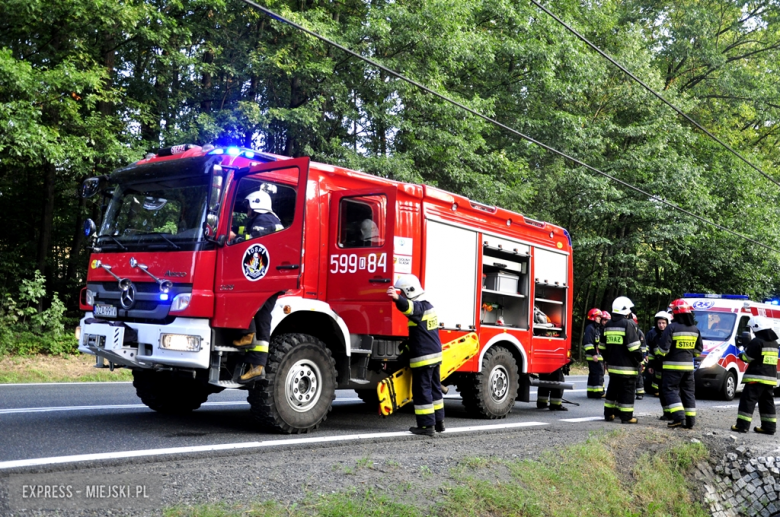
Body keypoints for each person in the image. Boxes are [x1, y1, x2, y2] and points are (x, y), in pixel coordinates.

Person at [232, 189, 285, 384]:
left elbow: (251, 242)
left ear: (256, 203)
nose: (246, 209)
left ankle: (246, 334)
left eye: (248, 205)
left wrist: (234, 239)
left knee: (243, 301)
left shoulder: (264, 221)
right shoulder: (268, 220)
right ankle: (257, 366)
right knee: (263, 317)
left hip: (264, 275)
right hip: (271, 276)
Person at [387, 274, 444, 436]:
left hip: (424, 358)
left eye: (403, 293)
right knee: (435, 390)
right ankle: (439, 422)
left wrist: (397, 298)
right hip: (435, 355)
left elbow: (409, 308)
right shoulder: (429, 305)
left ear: (410, 291)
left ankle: (426, 427)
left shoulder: (419, 307)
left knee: (422, 390)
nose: (402, 295)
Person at [657, 299, 703, 429]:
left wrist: (659, 354)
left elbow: (663, 350)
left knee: (670, 390)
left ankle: (678, 418)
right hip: (688, 368)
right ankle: (690, 421)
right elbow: (698, 351)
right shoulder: (695, 329)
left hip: (671, 368)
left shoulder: (671, 327)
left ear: (676, 313)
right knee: (688, 392)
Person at [731, 316, 778, 435]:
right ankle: (769, 427)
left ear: (756, 328)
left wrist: (742, 353)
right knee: (767, 403)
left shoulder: (757, 341)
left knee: (747, 401)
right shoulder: (774, 343)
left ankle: (742, 426)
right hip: (770, 379)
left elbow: (747, 358)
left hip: (755, 378)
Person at [603, 297, 643, 424]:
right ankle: (626, 417)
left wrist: (608, 360)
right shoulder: (628, 324)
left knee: (612, 390)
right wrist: (640, 360)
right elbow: (634, 347)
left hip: (613, 366)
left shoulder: (608, 324)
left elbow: (602, 347)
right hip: (628, 368)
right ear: (625, 310)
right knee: (627, 391)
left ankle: (609, 414)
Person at [644, 311, 670, 402]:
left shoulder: (670, 334)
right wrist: (650, 364)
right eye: (659, 323)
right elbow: (650, 350)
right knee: (656, 377)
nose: (661, 325)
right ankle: (656, 390)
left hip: (668, 362)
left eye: (663, 323)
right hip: (657, 362)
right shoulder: (653, 334)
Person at [583, 308, 605, 398]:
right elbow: (588, 343)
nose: (600, 318)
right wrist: (593, 354)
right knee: (598, 373)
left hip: (595, 355)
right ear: (593, 317)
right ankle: (599, 392)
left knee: (593, 373)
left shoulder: (596, 328)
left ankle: (591, 392)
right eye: (598, 317)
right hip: (593, 356)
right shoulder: (590, 328)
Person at [632, 314, 647, 400]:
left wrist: (642, 358)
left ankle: (640, 392)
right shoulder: (628, 331)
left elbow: (643, 347)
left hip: (639, 358)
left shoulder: (640, 333)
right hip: (631, 359)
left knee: (639, 375)